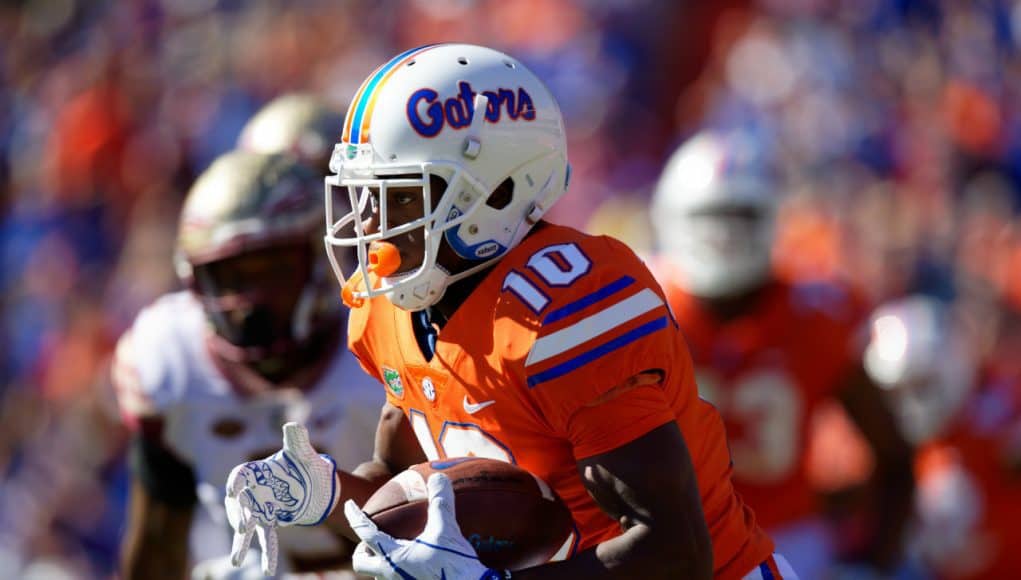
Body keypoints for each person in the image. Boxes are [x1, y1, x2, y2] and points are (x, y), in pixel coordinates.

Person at [222, 43, 796, 580]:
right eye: (366, 199)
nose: (371, 227)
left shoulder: (563, 310)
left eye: (400, 198)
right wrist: (324, 492)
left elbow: (676, 549)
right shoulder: (395, 310)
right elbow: (407, 488)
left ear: (494, 194)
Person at [649, 129, 915, 578]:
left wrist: (872, 562)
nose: (724, 234)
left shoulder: (817, 316)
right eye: (710, 216)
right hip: (669, 537)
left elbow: (893, 455)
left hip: (787, 541)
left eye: (740, 215)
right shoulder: (645, 307)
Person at [113, 149, 382, 579]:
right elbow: (159, 539)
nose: (248, 303)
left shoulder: (379, 341)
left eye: (270, 271)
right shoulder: (171, 360)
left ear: (316, 258)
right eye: (230, 276)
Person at [867, 295, 1021, 579]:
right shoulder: (889, 441)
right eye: (897, 392)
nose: (909, 404)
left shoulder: (1005, 411)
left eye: (920, 384)